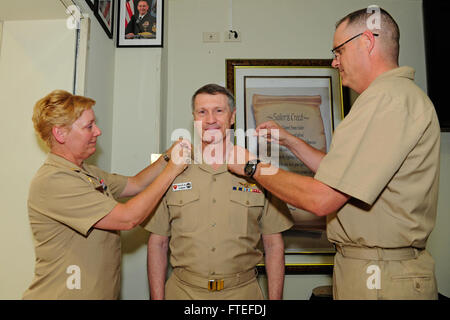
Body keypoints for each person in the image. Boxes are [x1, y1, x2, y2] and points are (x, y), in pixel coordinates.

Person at [227, 7, 440, 300]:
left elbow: (321, 198)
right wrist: (290, 141)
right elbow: (345, 175)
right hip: (373, 269)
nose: (334, 61)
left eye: (339, 50)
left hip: (379, 275)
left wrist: (252, 166)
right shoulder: (393, 98)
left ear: (366, 41)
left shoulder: (386, 99)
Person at [23, 90, 189, 299]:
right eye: (89, 126)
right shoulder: (54, 181)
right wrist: (173, 170)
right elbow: (128, 219)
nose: (98, 132)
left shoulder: (86, 173)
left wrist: (167, 156)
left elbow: (135, 184)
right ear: (60, 134)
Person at [143, 84, 293, 300]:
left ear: (232, 117)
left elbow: (273, 243)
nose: (210, 119)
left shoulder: (259, 171)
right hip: (183, 293)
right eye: (202, 112)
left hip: (243, 295)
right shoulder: (172, 171)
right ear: (193, 118)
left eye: (218, 111)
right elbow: (158, 243)